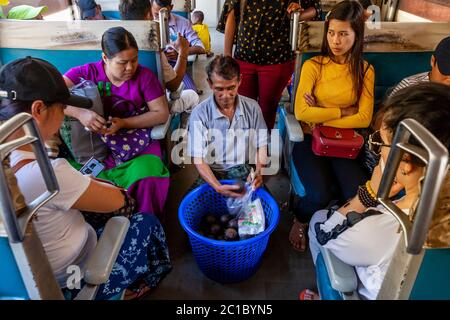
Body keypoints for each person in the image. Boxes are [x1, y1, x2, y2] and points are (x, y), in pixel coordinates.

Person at [0, 56, 172, 300]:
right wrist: (97, 186)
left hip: (21, 286)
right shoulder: (50, 174)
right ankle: (119, 291)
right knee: (144, 221)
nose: (63, 119)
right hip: (72, 276)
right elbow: (118, 202)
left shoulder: (12, 158)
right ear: (38, 110)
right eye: (62, 110)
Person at [304, 82, 450, 300]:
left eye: (382, 143)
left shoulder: (390, 228)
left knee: (318, 220)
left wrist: (369, 192)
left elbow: (327, 234)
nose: (379, 150)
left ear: (405, 163)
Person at [290, 0, 375, 252]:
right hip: (310, 139)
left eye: (343, 34)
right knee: (318, 194)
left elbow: (364, 119)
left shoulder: (365, 71)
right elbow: (301, 112)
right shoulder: (313, 66)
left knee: (357, 193)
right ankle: (301, 219)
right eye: (331, 32)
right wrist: (342, 111)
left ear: (357, 35)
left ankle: (337, 235)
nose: (335, 40)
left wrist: (320, 114)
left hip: (344, 143)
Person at [63, 27, 170, 222]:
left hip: (138, 145)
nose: (130, 68)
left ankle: (146, 227)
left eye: (134, 60)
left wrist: (124, 123)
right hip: (96, 147)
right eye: (122, 62)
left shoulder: (145, 77)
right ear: (105, 58)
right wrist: (80, 113)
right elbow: (51, 99)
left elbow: (161, 113)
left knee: (148, 175)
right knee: (73, 177)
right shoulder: (85, 73)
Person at [218, 0, 322, 129]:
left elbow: (315, 9)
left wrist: (295, 16)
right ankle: (244, 145)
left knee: (267, 111)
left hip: (277, 60)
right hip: (243, 58)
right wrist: (228, 55)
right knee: (243, 109)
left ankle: (262, 147)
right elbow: (231, 16)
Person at [187, 55, 267, 197]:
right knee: (189, 202)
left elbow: (262, 145)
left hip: (242, 168)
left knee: (260, 205)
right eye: (219, 89)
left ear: (240, 81)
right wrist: (217, 186)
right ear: (210, 84)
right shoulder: (199, 114)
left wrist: (259, 172)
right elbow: (198, 158)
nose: (226, 95)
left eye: (231, 88)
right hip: (212, 170)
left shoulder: (253, 108)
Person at [119, 0, 199, 114]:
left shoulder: (115, 41)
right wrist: (183, 52)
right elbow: (174, 85)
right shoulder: (152, 45)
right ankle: (182, 128)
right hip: (153, 107)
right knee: (193, 95)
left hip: (124, 104)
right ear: (149, 14)